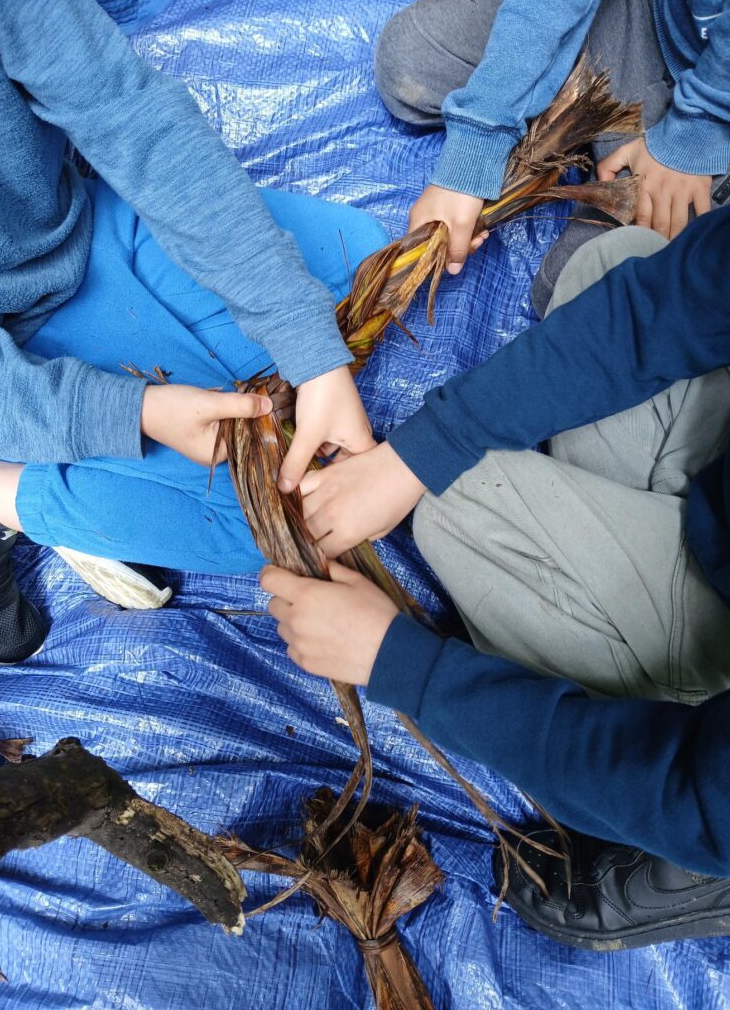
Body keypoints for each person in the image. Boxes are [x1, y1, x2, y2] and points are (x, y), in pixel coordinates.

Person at [261, 206, 730, 950]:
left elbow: (691, 793)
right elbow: (664, 307)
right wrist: (415, 454)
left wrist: (400, 664)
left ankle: (702, 844)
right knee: (618, 261)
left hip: (711, 775)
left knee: (460, 504)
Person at [0, 0, 389, 664]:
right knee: (275, 522)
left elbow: (126, 110)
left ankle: (92, 469)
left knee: (361, 259)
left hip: (79, 234)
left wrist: (306, 344)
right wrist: (129, 412)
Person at [372, 0, 729, 314]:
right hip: (638, 7)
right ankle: (571, 108)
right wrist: (479, 137)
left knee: (571, 294)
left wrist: (690, 138)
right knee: (408, 64)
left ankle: (571, 109)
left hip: (709, 124)